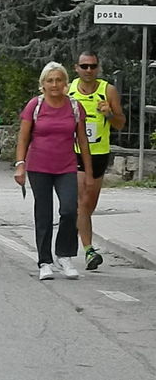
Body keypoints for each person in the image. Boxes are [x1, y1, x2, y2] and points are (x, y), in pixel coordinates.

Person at [14, 62, 94, 281]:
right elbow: (23, 137)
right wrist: (20, 164)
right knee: (44, 214)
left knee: (69, 210)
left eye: (59, 80)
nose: (55, 84)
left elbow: (83, 142)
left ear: (65, 83)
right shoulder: (35, 105)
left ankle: (65, 255)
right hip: (39, 167)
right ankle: (44, 261)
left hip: (66, 166)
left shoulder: (75, 107)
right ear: (43, 84)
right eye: (50, 80)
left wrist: (87, 172)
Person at [69, 51, 126, 270]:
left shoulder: (107, 90)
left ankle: (74, 226)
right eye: (84, 66)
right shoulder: (70, 90)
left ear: (98, 68)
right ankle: (89, 251)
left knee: (89, 204)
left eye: (93, 66)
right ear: (77, 68)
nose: (89, 70)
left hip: (99, 153)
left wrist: (109, 114)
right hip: (74, 152)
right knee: (83, 200)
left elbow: (121, 123)